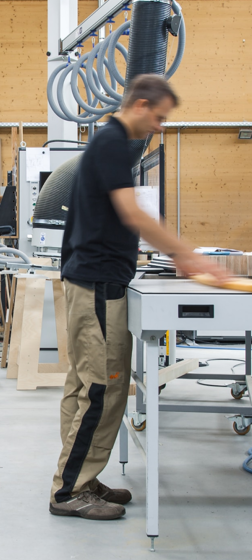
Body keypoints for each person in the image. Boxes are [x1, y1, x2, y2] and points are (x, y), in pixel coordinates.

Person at [49, 73, 228, 521]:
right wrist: (188, 257)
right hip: (98, 285)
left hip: (91, 280)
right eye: (161, 118)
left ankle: (80, 478)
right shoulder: (112, 143)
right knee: (102, 388)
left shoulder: (110, 144)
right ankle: (68, 491)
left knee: (85, 387)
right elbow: (132, 214)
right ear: (142, 104)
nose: (161, 127)